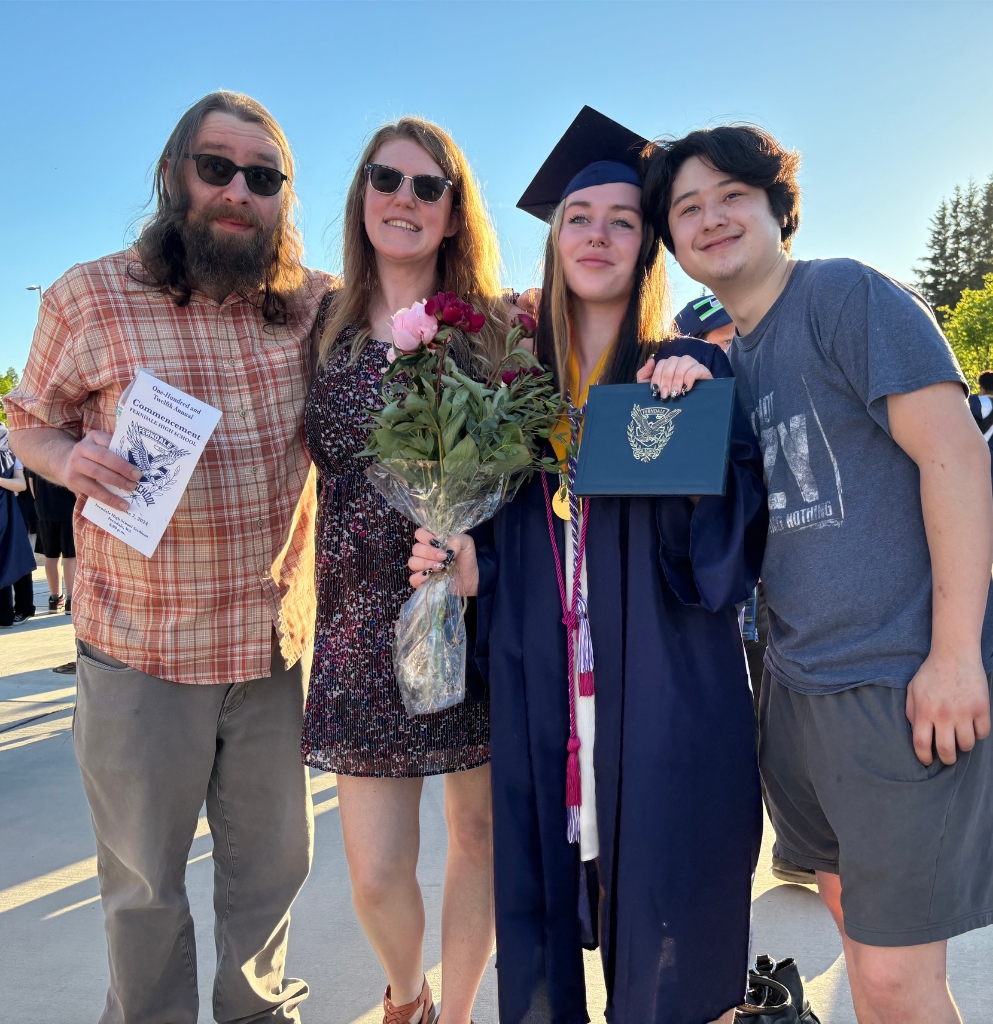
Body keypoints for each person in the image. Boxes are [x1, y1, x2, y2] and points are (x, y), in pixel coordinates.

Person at [409, 107, 767, 1024]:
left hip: (661, 701)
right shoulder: (512, 393)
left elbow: (720, 562)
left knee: (669, 935)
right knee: (541, 931)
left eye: (622, 219)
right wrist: (465, 568)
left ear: (648, 246)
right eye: (579, 217)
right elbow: (520, 551)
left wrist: (697, 396)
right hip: (547, 701)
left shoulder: (677, 373)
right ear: (553, 238)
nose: (598, 234)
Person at [644, 124, 993, 1024]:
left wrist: (954, 654)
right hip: (794, 697)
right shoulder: (729, 358)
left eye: (732, 196)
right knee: (855, 936)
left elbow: (956, 457)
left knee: (890, 979)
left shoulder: (844, 297)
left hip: (893, 681)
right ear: (671, 242)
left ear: (776, 207)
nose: (711, 219)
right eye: (687, 208)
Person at [6, 91, 332, 1024]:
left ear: (283, 199)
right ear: (174, 173)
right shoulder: (88, 295)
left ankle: (260, 1015)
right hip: (140, 650)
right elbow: (28, 420)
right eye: (217, 167)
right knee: (144, 887)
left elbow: (442, 312)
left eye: (263, 178)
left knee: (272, 874)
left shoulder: (312, 306)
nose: (238, 192)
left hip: (272, 650)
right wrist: (67, 458)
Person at [304, 116, 511, 1024]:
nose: (405, 198)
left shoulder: (499, 331)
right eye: (386, 179)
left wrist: (684, 357)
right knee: (375, 872)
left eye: (431, 186)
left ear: (456, 214)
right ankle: (408, 992)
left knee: (479, 836)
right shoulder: (318, 322)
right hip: (357, 626)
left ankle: (453, 1014)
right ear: (361, 196)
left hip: (469, 613)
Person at [0, 424, 36, 628]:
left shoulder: (12, 446)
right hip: (9, 510)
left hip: (15, 510)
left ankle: (21, 609)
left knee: (16, 556)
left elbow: (21, 484)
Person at [31, 474, 76, 613]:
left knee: (50, 557)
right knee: (70, 557)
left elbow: (32, 487)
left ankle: (55, 599)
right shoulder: (67, 453)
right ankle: (70, 600)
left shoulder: (36, 457)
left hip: (44, 510)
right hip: (68, 508)